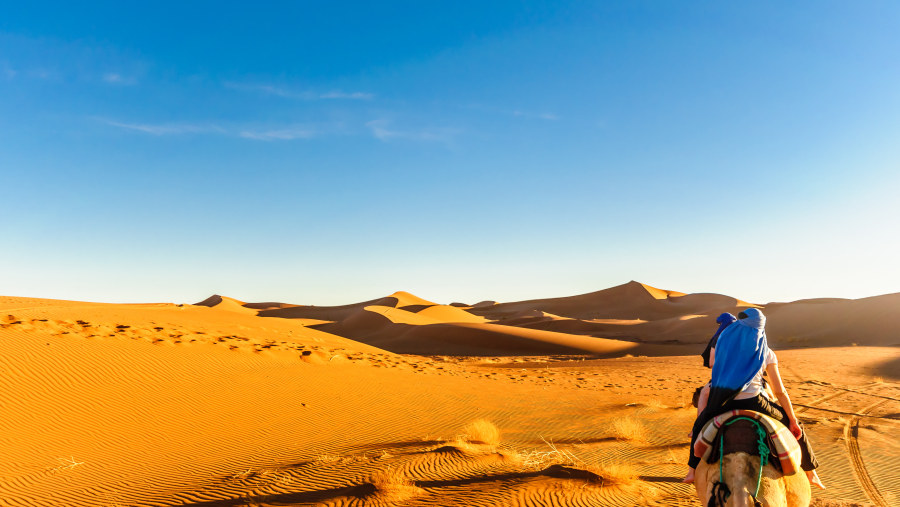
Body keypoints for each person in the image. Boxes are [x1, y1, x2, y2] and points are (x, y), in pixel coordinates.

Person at [682, 308, 825, 489]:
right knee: (795, 425)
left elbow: (716, 370)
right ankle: (811, 472)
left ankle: (692, 470)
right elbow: (779, 391)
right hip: (756, 402)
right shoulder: (767, 352)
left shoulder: (723, 345)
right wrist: (793, 419)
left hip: (723, 401)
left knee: (699, 425)